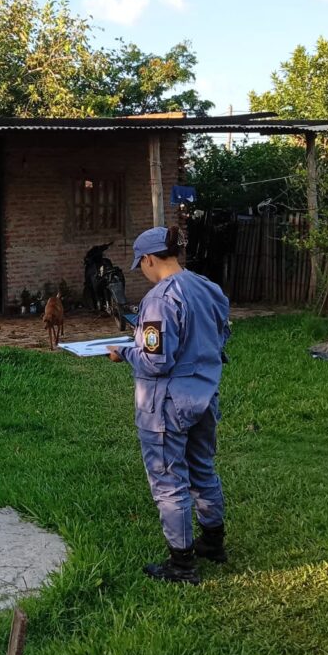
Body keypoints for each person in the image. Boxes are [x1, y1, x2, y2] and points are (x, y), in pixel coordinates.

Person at [108, 226, 230, 585]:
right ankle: (213, 543)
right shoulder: (207, 287)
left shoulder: (159, 299)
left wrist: (123, 352)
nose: (143, 272)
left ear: (149, 259)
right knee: (202, 468)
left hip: (166, 405)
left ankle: (182, 566)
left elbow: (155, 360)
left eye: (141, 265)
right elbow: (221, 333)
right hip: (204, 395)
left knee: (168, 480)